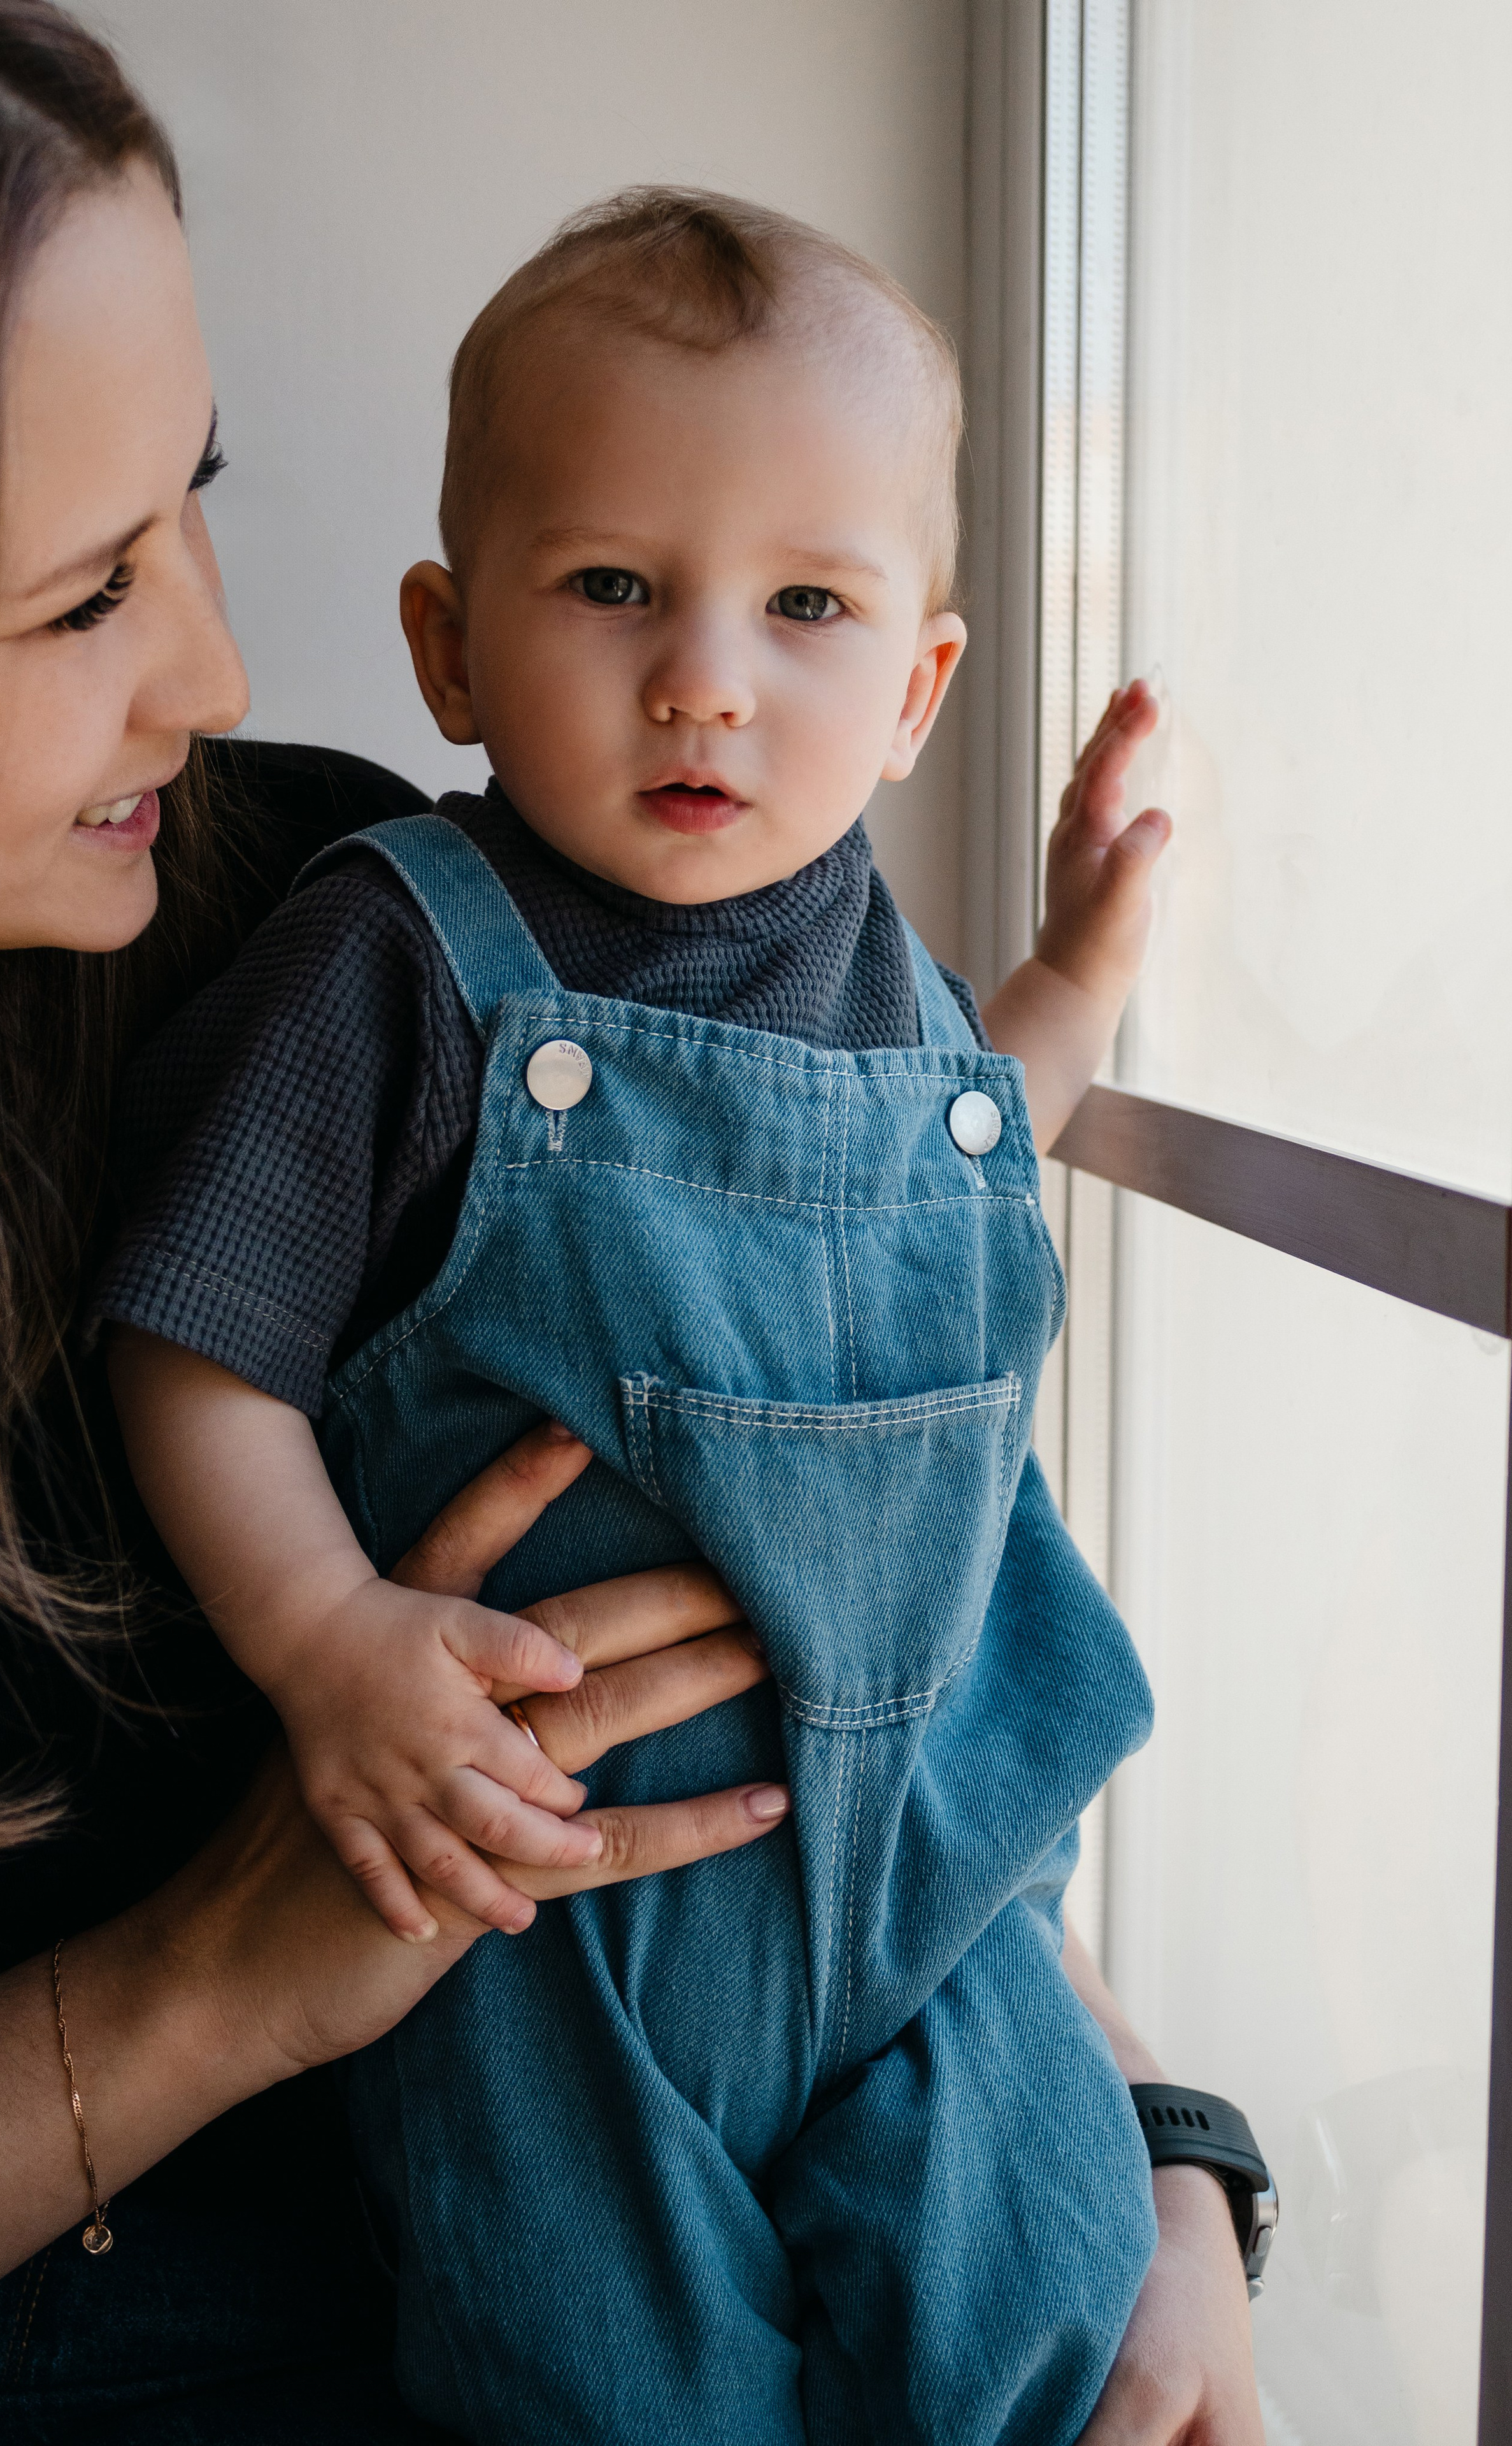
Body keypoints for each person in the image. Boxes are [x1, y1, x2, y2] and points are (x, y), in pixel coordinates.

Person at [96, 190, 1264, 2444]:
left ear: (916, 689)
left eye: (806, 604)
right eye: (614, 586)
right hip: (550, 1924)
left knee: (1048, 2295)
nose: (707, 678)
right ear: (449, 647)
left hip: (928, 1897)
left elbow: (971, 1142)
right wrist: (329, 1639)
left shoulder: (885, 978)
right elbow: (194, 1338)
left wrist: (1081, 970)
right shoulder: (397, 958)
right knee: (608, 2382)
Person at [0, 14, 792, 2439]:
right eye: (83, 597)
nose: (214, 667)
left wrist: (1124, 2131)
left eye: (192, 496)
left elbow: (835, 1510)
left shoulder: (347, 913)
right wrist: (220, 1977)